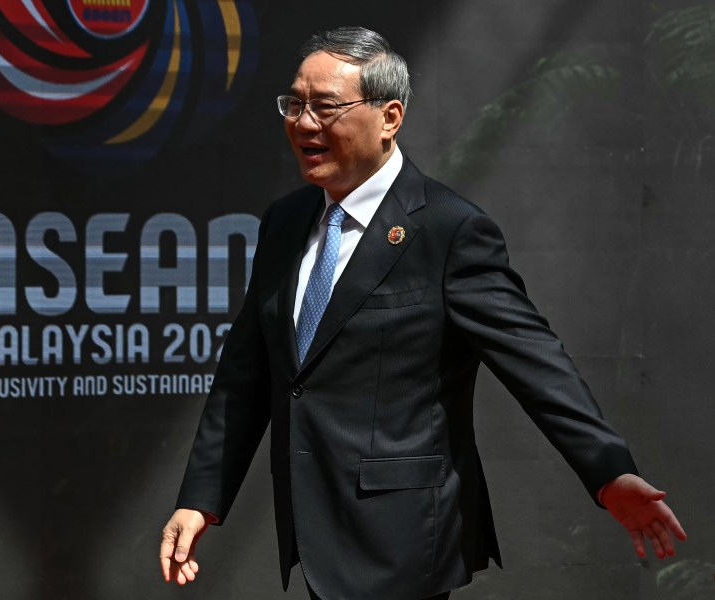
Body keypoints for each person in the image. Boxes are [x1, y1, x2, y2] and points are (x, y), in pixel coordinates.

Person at [159, 26, 686, 600]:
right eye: (295, 103)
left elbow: (536, 363)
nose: (304, 123)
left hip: (403, 542)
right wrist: (200, 498)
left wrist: (609, 473)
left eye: (326, 107)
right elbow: (247, 371)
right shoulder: (285, 223)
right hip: (312, 532)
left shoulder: (448, 230)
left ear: (389, 117)